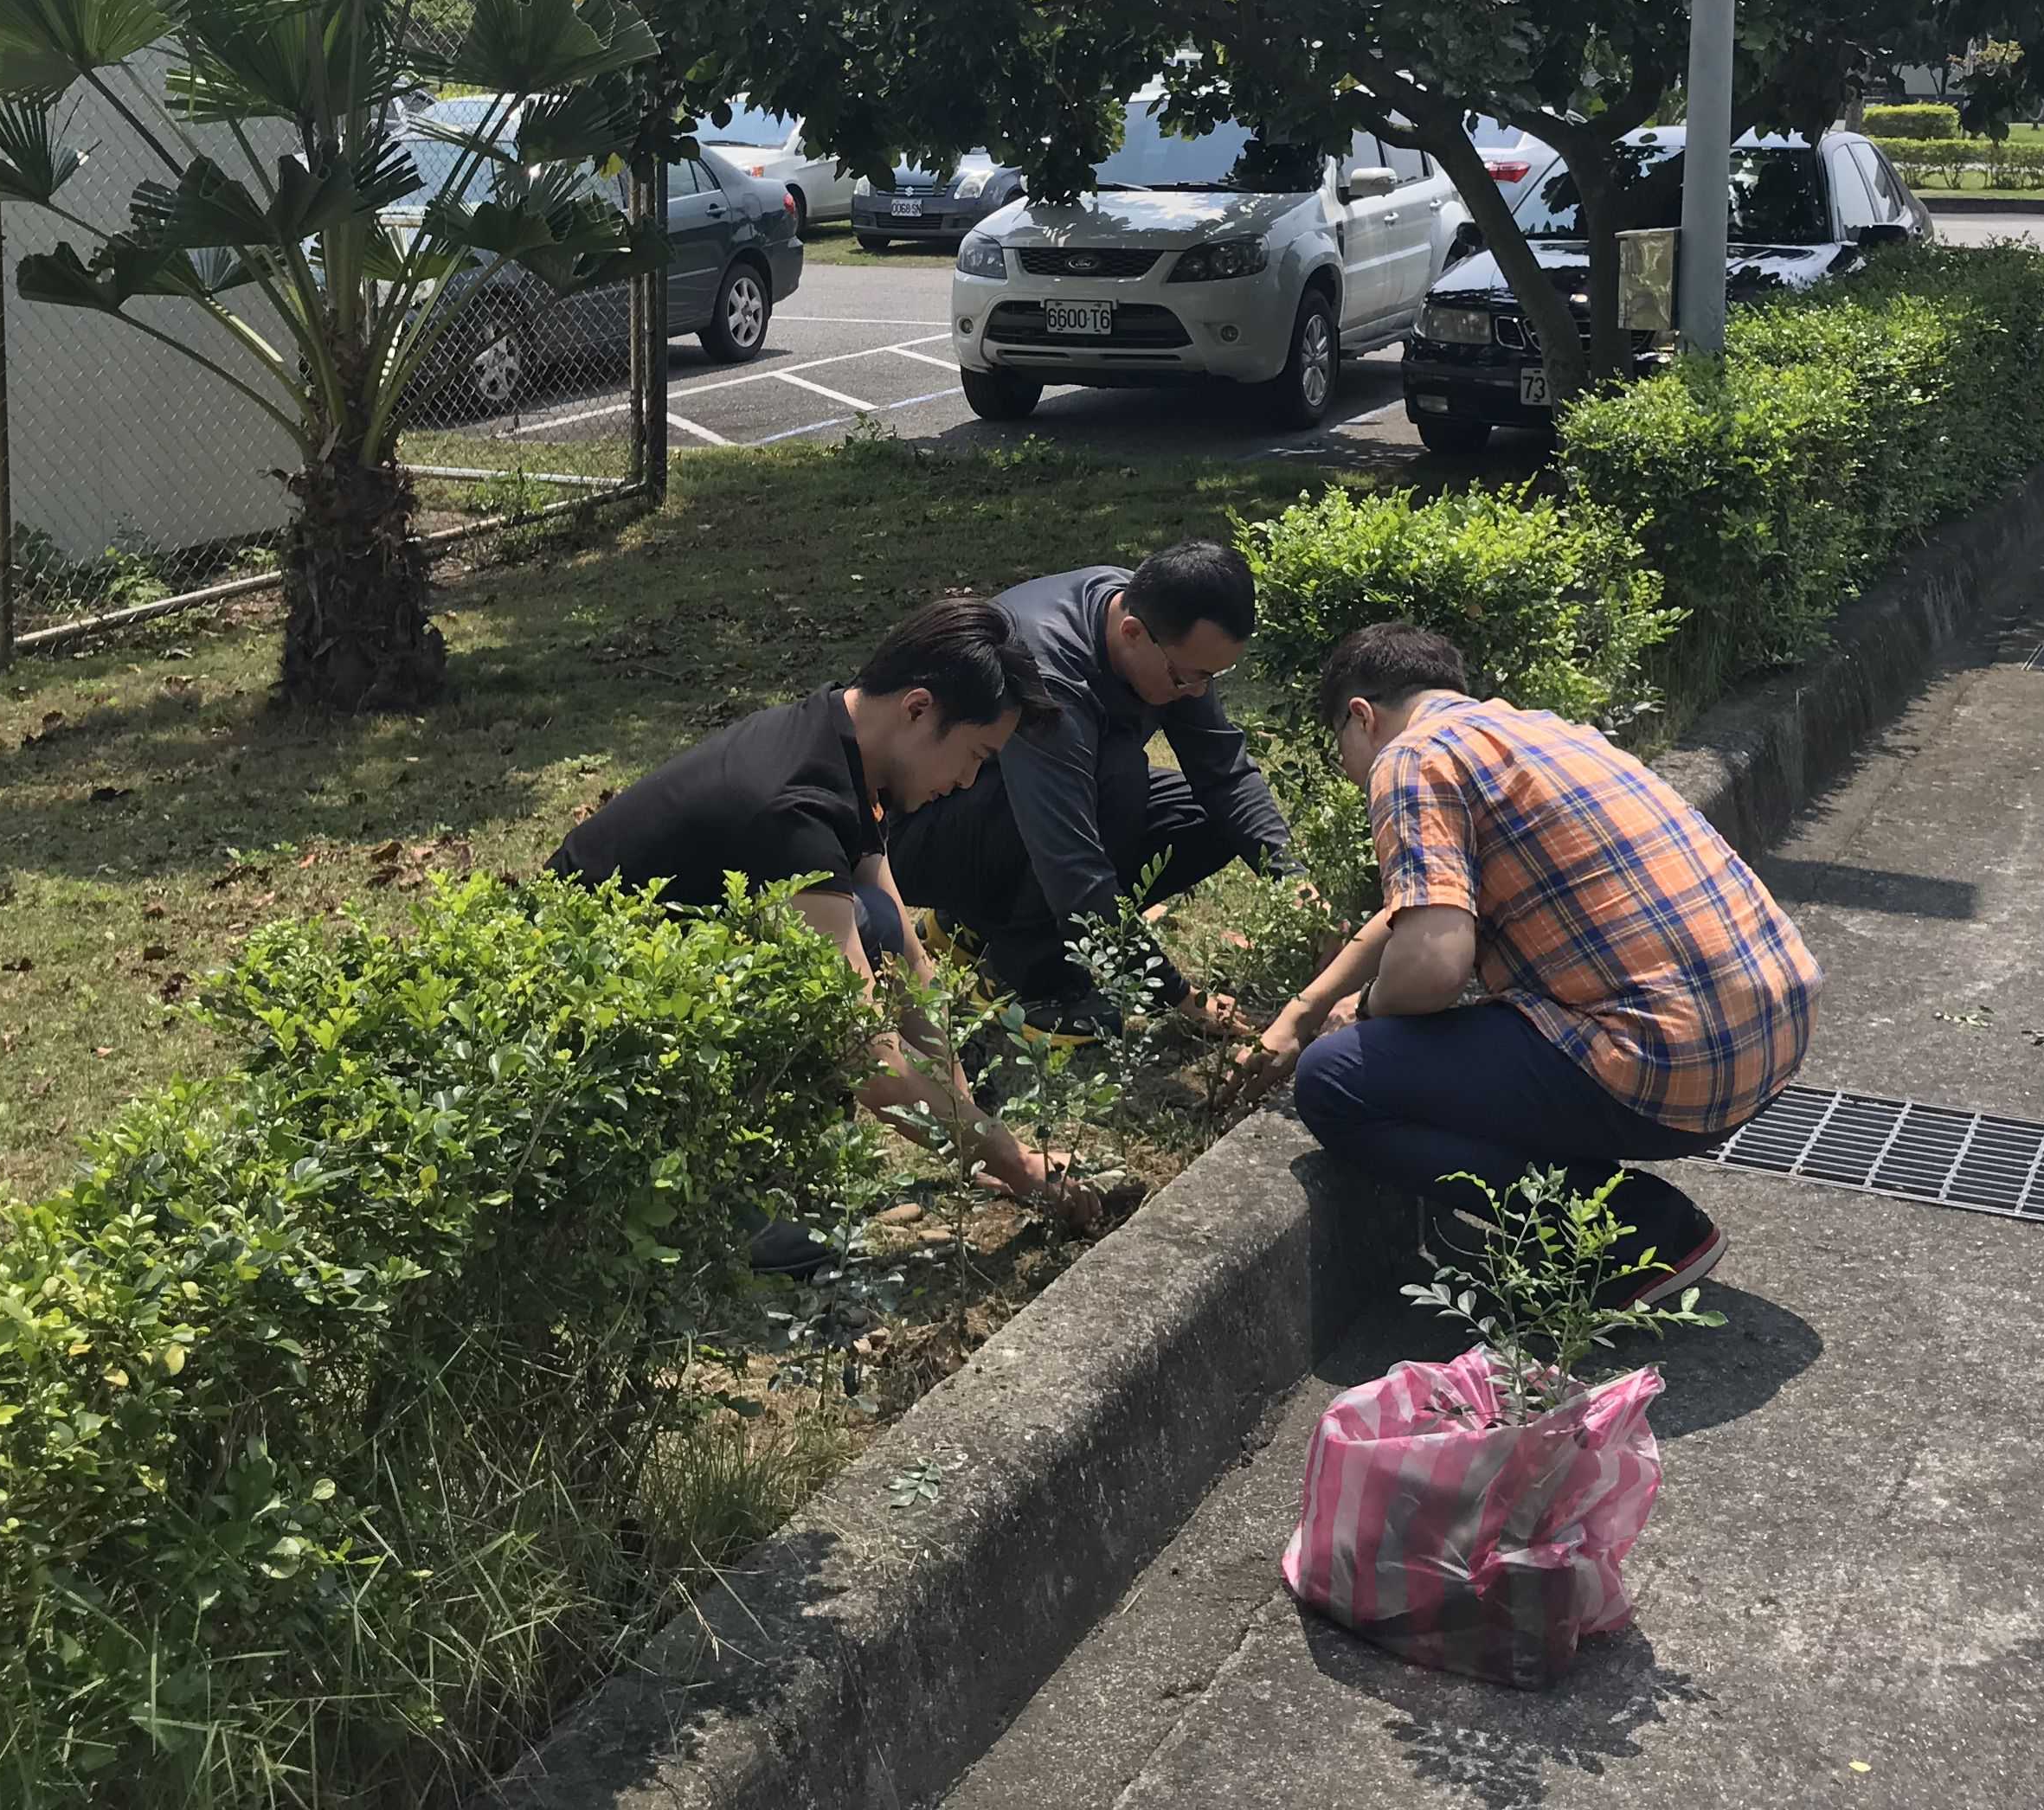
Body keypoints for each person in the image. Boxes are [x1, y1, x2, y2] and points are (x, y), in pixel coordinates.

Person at [1234, 622, 1820, 1300]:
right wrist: (1304, 1007)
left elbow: (1432, 965)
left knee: (1336, 1080)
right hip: (1772, 1035)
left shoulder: (1410, 758)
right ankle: (1604, 1207)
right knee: (1451, 1044)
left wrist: (1358, 1020)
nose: (1348, 767)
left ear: (1360, 717)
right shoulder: (1538, 731)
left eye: (1341, 745)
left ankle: (1643, 1232)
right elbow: (1417, 905)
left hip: (1673, 1068)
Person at [549, 593, 1099, 1232]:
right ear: (919, 710)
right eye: (976, 756)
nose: (969, 783)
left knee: (875, 923)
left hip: (660, 971)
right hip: (589, 1021)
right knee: (832, 979)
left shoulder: (842, 742)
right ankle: (721, 1207)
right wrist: (1018, 1165)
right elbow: (865, 1057)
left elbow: (908, 962)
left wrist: (970, 1133)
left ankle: (769, 1174)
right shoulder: (794, 808)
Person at [884, 539, 1296, 1036]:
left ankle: (972, 925)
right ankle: (1034, 979)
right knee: (1118, 779)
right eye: (1189, 678)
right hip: (919, 834)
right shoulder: (1050, 674)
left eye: (1212, 676)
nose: (1199, 692)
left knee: (1210, 818)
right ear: (1132, 633)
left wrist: (1294, 885)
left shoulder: (1155, 620)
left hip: (1008, 810)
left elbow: (1224, 772)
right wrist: (1177, 995)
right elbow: (1072, 866)